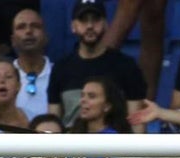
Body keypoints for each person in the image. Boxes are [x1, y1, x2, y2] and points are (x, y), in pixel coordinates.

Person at [47, 0, 147, 128]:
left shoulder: (127, 66)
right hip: (72, 145)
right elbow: (53, 122)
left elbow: (137, 123)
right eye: (83, 20)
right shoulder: (60, 69)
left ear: (105, 24)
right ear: (73, 26)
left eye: (95, 19)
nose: (89, 25)